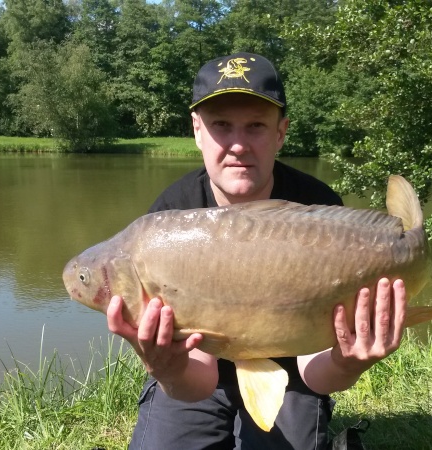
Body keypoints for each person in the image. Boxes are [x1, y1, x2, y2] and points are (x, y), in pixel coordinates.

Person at [106, 52, 409, 450]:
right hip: (196, 359)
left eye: (255, 127)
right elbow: (195, 380)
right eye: (221, 126)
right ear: (197, 130)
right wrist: (169, 365)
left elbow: (313, 369)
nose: (237, 145)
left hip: (293, 361)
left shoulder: (318, 209)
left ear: (280, 132)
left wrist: (349, 361)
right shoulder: (169, 218)